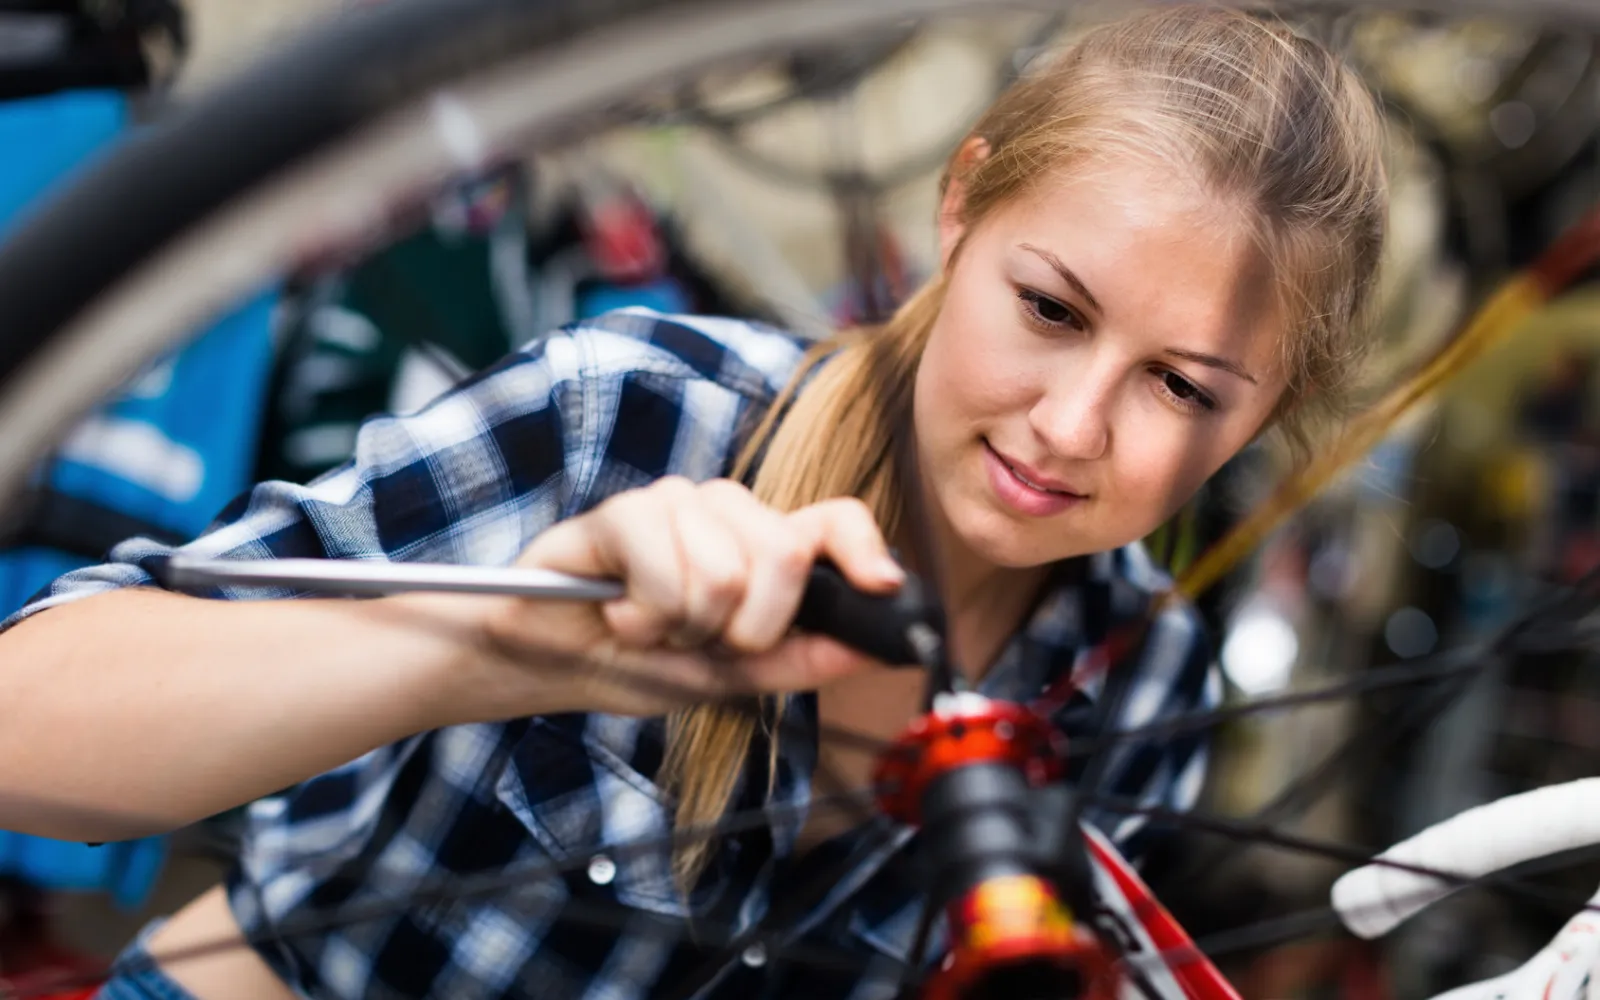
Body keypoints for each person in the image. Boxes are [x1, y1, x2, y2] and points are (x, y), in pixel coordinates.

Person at [0, 6, 1388, 999]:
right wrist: (488, 651)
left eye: (1182, 387)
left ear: (1268, 414)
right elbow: (25, 724)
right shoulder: (634, 415)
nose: (1071, 426)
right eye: (1049, 309)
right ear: (961, 207)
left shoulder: (1146, 689)